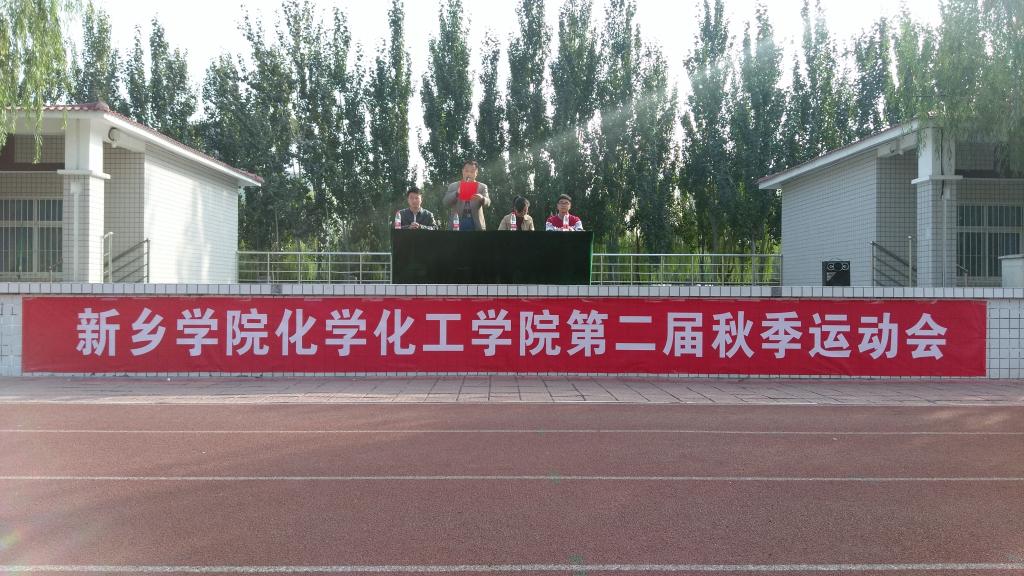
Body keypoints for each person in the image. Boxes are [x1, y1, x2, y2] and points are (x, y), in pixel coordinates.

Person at [443, 159, 490, 231]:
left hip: (475, 222)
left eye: (472, 172)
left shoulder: (482, 186)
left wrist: (482, 198)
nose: (469, 174)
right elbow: (445, 202)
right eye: (466, 171)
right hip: (457, 221)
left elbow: (488, 203)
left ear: (476, 173)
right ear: (462, 171)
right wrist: (456, 193)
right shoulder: (453, 186)